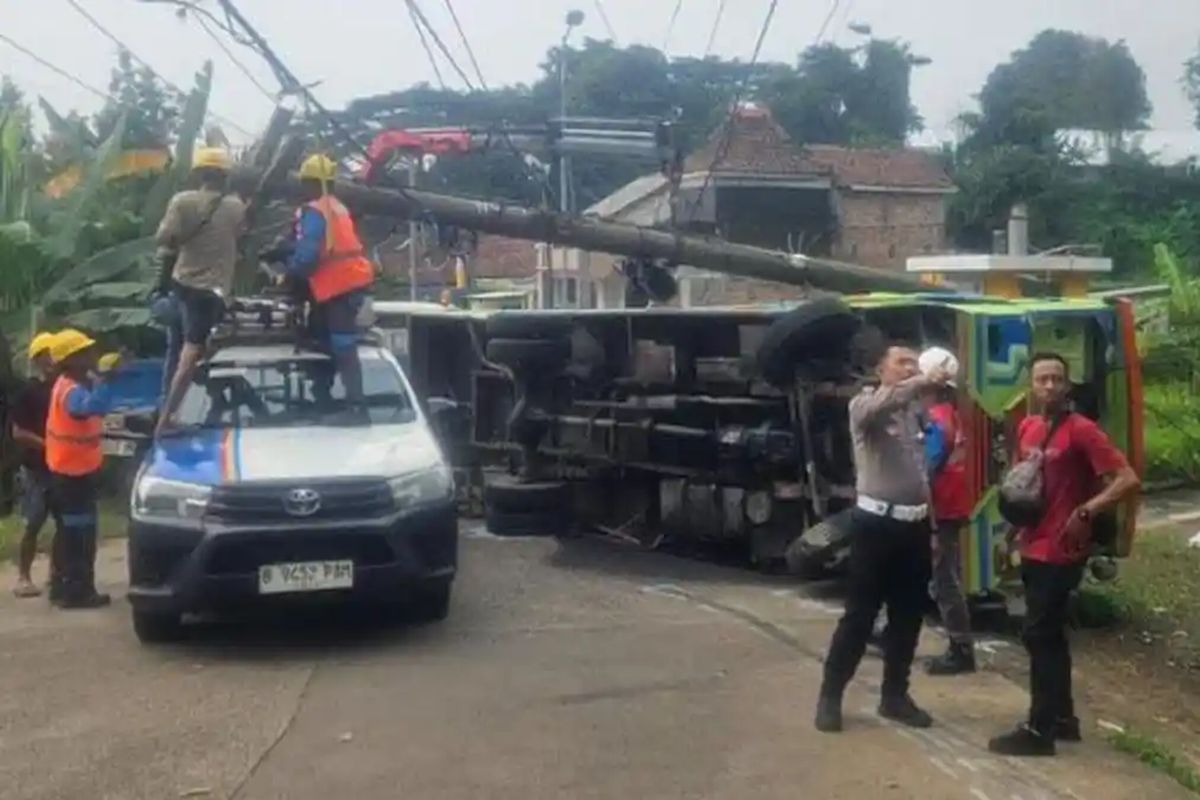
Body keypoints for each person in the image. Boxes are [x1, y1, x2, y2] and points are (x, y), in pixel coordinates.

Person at [987, 352, 1140, 757]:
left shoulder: (1083, 431)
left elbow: (1126, 478)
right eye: (1042, 379)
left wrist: (1088, 509)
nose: (1050, 386)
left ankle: (1039, 731)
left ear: (1067, 386)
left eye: (1057, 379)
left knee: (1038, 633)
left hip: (1063, 548)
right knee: (1049, 635)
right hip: (1033, 543)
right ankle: (1063, 719)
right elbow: (1027, 488)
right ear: (1031, 387)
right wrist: (1010, 533)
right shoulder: (1029, 427)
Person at [815, 339, 952, 733]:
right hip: (875, 527)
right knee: (859, 616)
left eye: (914, 362)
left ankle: (894, 695)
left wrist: (931, 528)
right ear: (881, 371)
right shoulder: (865, 406)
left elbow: (921, 475)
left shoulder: (914, 415)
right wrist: (924, 379)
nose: (909, 368)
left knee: (908, 617)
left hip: (913, 527)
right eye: (901, 363)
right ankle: (830, 695)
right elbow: (883, 405)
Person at [154, 147, 247, 436]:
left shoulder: (182, 202)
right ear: (225, 176)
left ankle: (166, 407)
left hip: (181, 286)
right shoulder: (236, 207)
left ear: (199, 174)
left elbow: (164, 238)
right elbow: (242, 233)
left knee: (178, 347)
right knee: (191, 353)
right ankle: (166, 420)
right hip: (210, 293)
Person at [277, 154, 375, 414]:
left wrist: (288, 274)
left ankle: (356, 408)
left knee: (342, 342)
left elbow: (308, 257)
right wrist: (288, 248)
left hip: (339, 284)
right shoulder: (336, 206)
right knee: (321, 337)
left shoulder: (314, 210)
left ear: (311, 183)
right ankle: (323, 396)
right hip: (350, 281)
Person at [44, 329, 124, 609]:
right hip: (72, 475)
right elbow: (95, 408)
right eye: (86, 352)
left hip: (69, 471)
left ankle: (62, 586)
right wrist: (104, 379)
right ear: (72, 359)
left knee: (70, 533)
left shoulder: (67, 384)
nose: (92, 355)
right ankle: (77, 592)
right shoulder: (72, 391)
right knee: (80, 535)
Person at [919, 346, 977, 676]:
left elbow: (924, 471)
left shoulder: (936, 423)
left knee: (944, 581)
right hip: (951, 507)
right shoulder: (950, 415)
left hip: (940, 511)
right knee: (934, 575)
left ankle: (961, 649)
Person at [9, 332, 61, 599]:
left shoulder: (63, 388)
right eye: (51, 354)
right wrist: (47, 444)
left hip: (62, 467)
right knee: (33, 522)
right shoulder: (28, 392)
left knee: (64, 523)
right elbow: (18, 432)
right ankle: (23, 576)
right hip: (36, 468)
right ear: (40, 359)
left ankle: (55, 574)